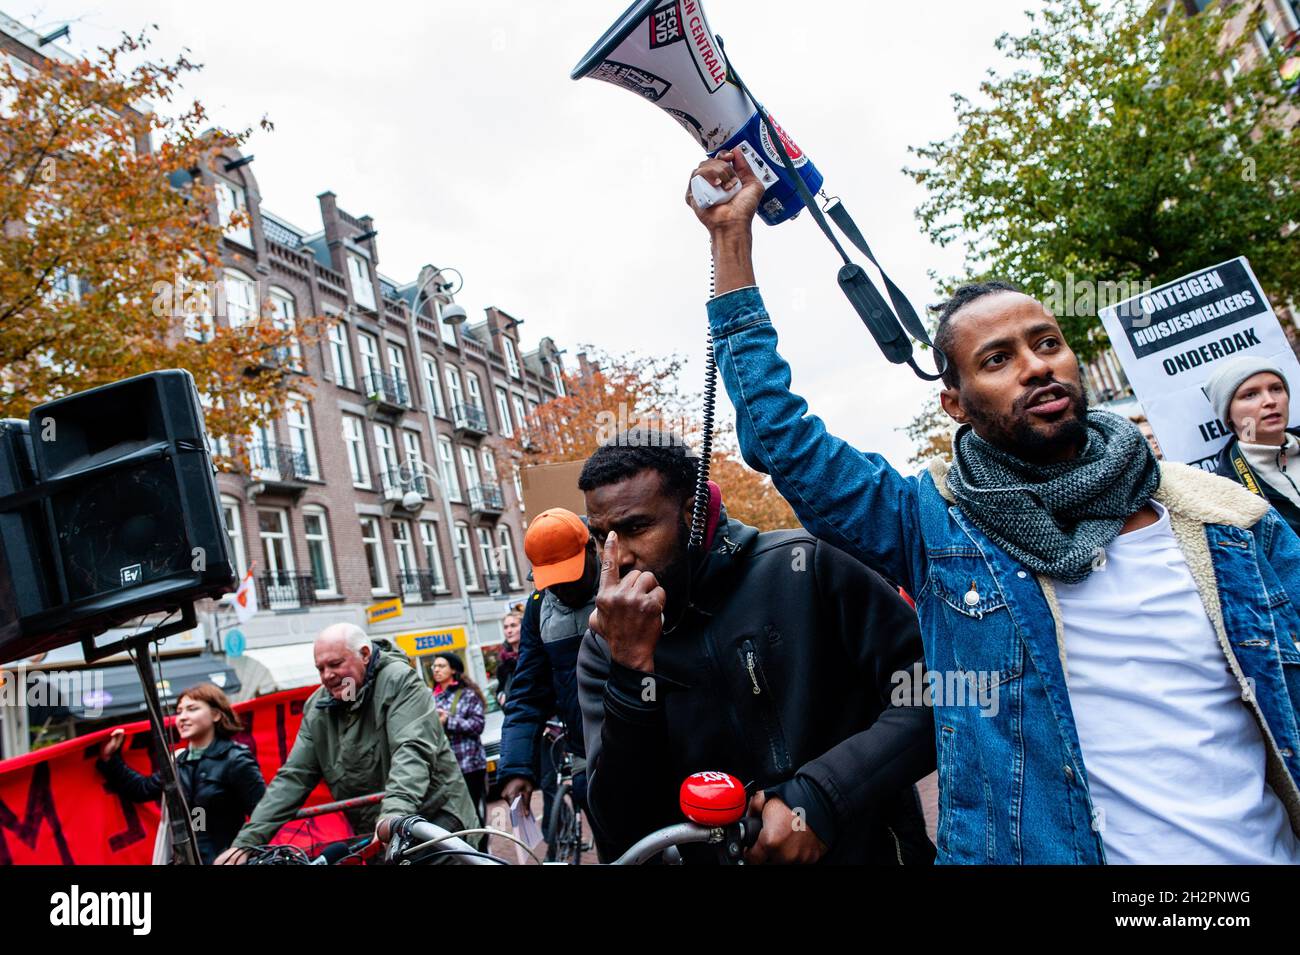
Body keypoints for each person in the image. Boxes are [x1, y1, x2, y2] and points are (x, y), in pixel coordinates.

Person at [686, 148, 1300, 864]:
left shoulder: (1229, 520)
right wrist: (732, 241)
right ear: (957, 404)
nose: (1037, 365)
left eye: (1048, 343)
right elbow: (779, 437)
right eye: (998, 358)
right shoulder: (935, 525)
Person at [575, 432, 935, 865]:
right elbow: (622, 831)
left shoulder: (806, 566)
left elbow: (935, 699)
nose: (619, 557)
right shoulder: (605, 646)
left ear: (693, 513)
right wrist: (631, 673)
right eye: (600, 537)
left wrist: (822, 797)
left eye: (636, 528)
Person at [215, 624, 478, 862]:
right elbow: (293, 778)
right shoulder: (318, 708)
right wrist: (247, 842)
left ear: (364, 654)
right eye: (320, 668)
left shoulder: (400, 681)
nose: (327, 675)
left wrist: (394, 814)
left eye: (335, 664)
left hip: (433, 819)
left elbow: (412, 750)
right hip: (378, 832)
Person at [498, 508, 598, 836]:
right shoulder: (539, 607)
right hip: (587, 754)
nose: (560, 590)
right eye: (551, 581)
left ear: (592, 551)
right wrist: (516, 767)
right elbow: (527, 692)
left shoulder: (631, 579)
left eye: (568, 577)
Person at [96, 683, 264, 865]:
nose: (182, 717)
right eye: (179, 711)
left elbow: (264, 815)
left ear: (216, 714)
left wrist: (241, 850)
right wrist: (110, 759)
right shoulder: (177, 762)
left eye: (192, 709)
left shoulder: (236, 760)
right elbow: (141, 789)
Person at [1208, 356, 1300, 534]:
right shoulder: (1226, 488)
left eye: (1276, 389)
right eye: (1250, 394)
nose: (1270, 401)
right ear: (1227, 413)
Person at [429, 651, 488, 818]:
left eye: (441, 666)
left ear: (453, 670)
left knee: (475, 813)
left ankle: (481, 845)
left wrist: (449, 721)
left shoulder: (468, 695)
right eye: (434, 666)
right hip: (445, 769)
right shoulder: (431, 698)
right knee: (454, 815)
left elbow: (478, 725)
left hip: (470, 766)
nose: (436, 670)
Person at [495, 612, 522, 707]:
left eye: (513, 626)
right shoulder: (503, 662)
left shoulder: (535, 654)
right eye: (505, 627)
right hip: (515, 715)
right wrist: (501, 697)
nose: (509, 631)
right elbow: (500, 688)